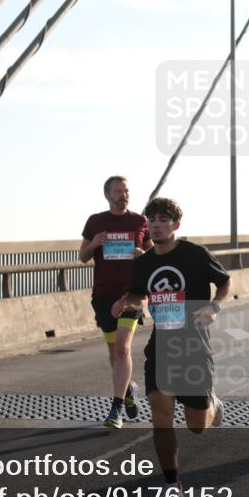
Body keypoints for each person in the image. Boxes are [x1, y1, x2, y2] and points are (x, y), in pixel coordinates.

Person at [120, 197, 231, 497]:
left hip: (194, 347)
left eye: (163, 219)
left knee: (196, 425)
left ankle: (212, 404)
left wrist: (214, 306)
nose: (155, 224)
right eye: (151, 219)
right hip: (161, 348)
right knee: (161, 417)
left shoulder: (194, 254)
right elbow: (139, 293)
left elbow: (224, 282)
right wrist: (127, 302)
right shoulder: (143, 263)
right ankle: (172, 484)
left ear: (175, 224)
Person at [80, 176, 153, 428]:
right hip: (103, 295)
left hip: (132, 294)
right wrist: (95, 244)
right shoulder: (95, 222)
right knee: (114, 354)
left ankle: (116, 409)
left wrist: (144, 254)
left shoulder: (139, 221)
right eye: (118, 191)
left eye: (126, 191)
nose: (123, 195)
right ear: (107, 195)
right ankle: (127, 389)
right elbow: (82, 257)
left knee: (122, 348)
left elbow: (154, 256)